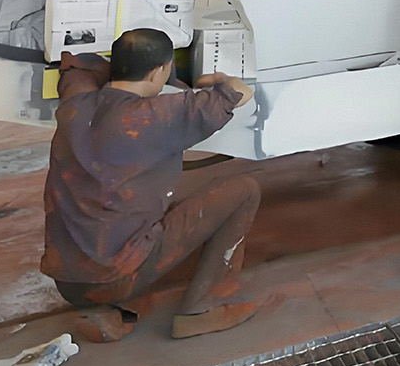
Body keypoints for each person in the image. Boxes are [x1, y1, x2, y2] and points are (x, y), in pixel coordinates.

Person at [41, 27, 261, 341]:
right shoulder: (158, 115)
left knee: (146, 202)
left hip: (66, 280)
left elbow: (75, 63)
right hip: (116, 277)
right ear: (159, 72)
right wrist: (217, 79)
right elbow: (239, 92)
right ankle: (202, 308)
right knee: (245, 191)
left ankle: (110, 311)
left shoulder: (76, 99)